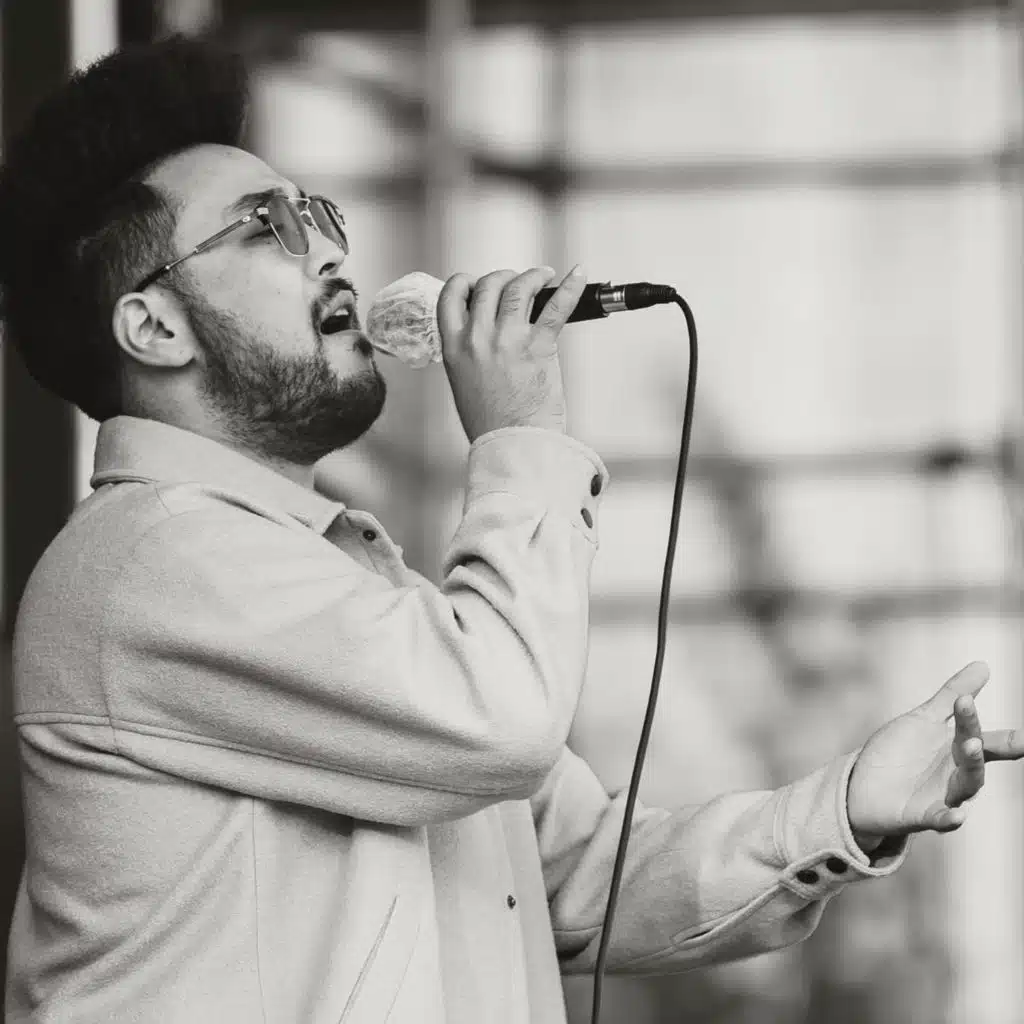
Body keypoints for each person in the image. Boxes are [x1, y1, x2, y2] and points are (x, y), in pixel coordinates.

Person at [1, 35, 1021, 1024]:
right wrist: (520, 435)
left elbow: (582, 870)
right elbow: (500, 718)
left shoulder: (334, 581)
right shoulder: (148, 561)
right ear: (154, 327)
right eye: (269, 226)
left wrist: (845, 810)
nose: (333, 251)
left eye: (319, 212)